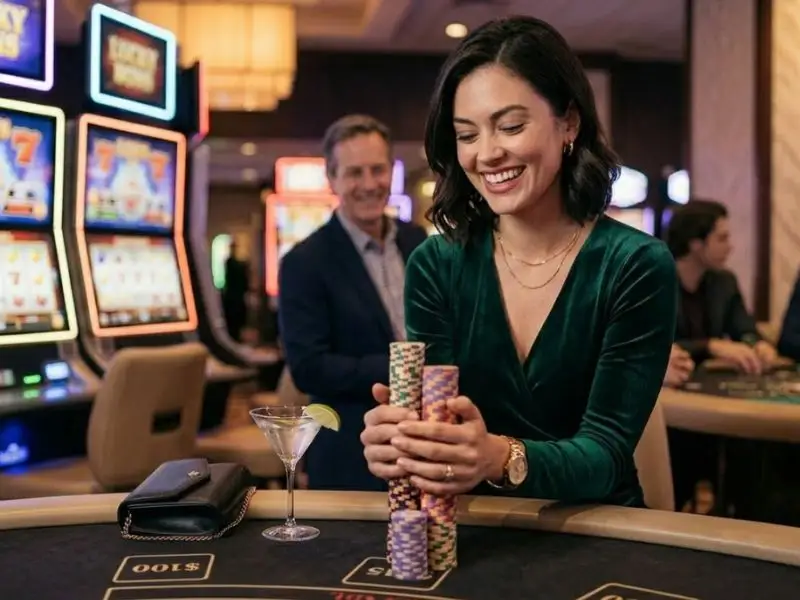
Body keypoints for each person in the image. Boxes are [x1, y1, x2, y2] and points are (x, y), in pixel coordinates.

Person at [360, 16, 678, 507]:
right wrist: (403, 445)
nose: (487, 154)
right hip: (475, 524)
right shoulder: (436, 265)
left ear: (568, 122)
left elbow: (606, 454)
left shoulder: (635, 264)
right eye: (467, 135)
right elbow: (439, 433)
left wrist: (500, 457)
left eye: (510, 126)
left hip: (597, 527)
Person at [278, 114, 428, 491]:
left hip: (428, 437)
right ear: (332, 178)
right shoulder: (303, 262)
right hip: (351, 452)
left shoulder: (418, 241)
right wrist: (404, 368)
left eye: (377, 170)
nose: (369, 184)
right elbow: (309, 368)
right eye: (354, 173)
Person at [666, 199, 778, 373]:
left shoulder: (724, 282)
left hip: (709, 378)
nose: (730, 247)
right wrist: (710, 346)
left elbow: (744, 329)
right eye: (722, 239)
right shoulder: (652, 282)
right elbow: (650, 345)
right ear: (695, 244)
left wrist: (758, 344)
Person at [222, 239, 249, 342]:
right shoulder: (230, 262)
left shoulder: (232, 262)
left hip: (235, 296)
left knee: (236, 322)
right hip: (234, 297)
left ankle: (235, 337)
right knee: (234, 321)